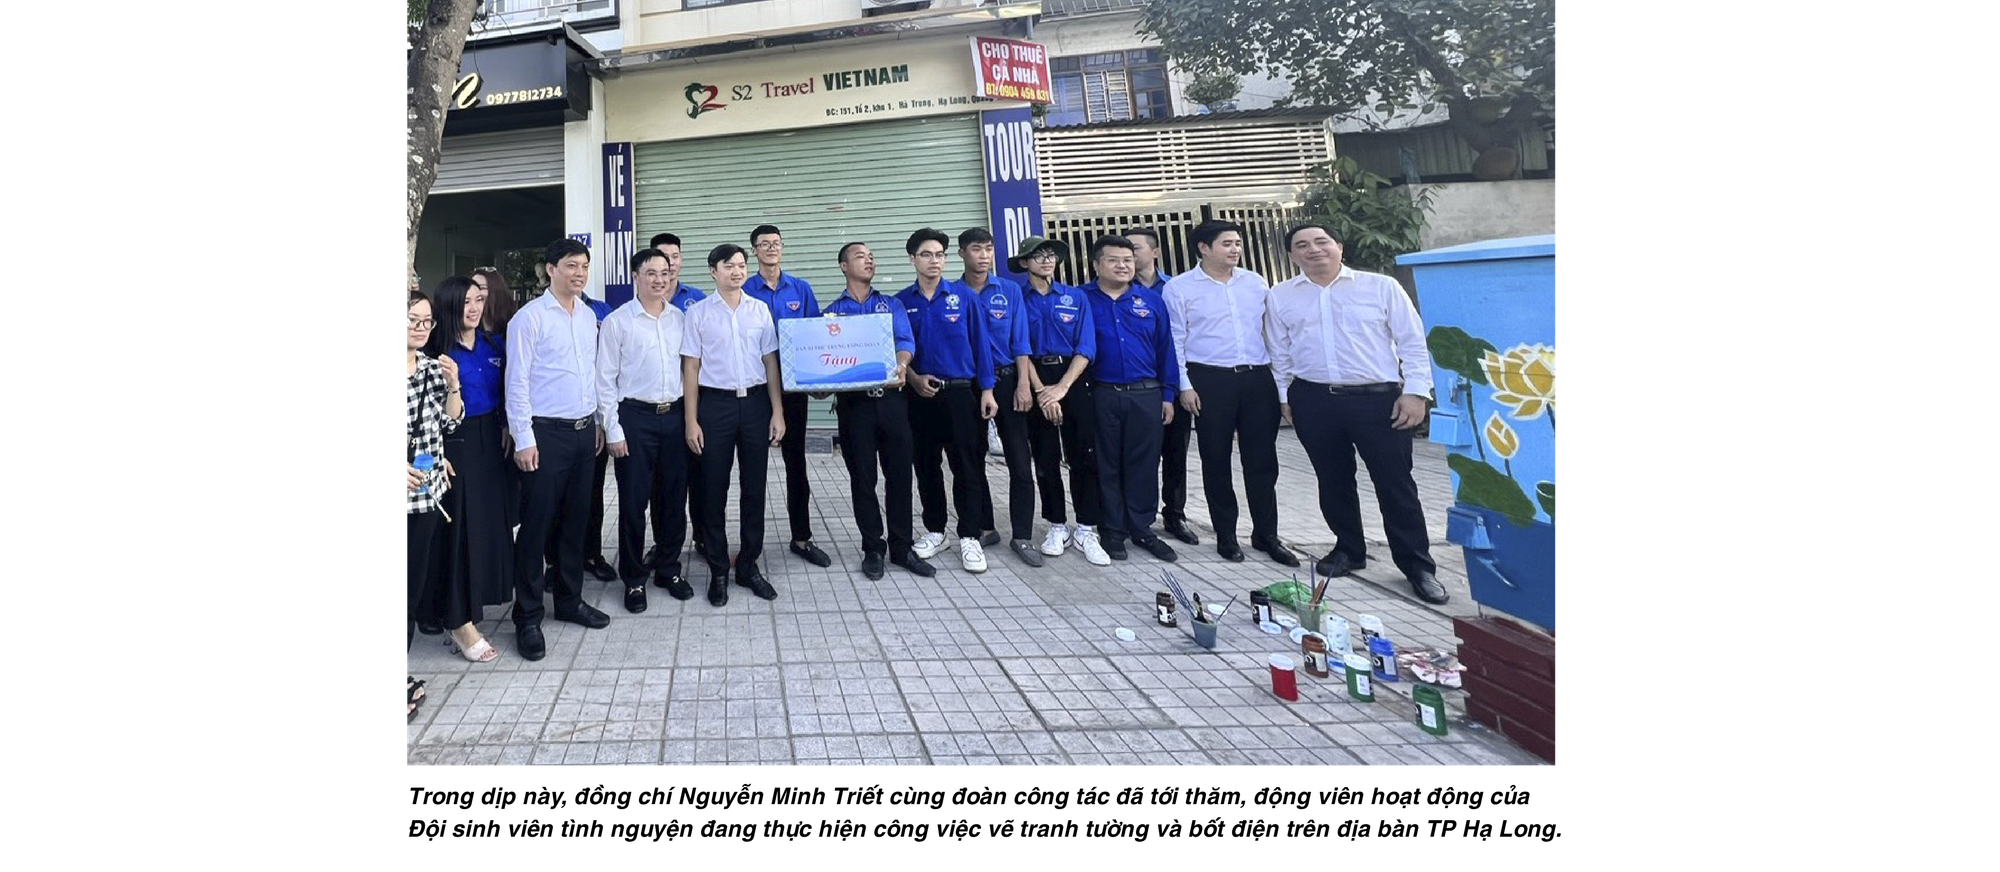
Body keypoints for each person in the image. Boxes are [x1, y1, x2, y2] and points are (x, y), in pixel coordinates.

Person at [1266, 223, 1448, 605]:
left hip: (1379, 400)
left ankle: (1417, 565)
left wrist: (1416, 393)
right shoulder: (1281, 296)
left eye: (1322, 242)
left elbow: (1413, 342)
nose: (1314, 250)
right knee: (1332, 479)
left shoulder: (1380, 287)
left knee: (1395, 483)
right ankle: (1349, 549)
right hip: (1313, 398)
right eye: (1302, 245)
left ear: (1339, 246)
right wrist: (1285, 398)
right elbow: (1279, 353)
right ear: (1292, 255)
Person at [1163, 220, 1297, 567]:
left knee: (1262, 461)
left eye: (1237, 243)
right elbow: (1175, 339)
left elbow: (1272, 335)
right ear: (1204, 248)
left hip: (1256, 378)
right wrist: (1184, 385)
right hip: (1209, 380)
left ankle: (1266, 534)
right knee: (1216, 460)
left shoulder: (1255, 283)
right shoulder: (1179, 288)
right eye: (1227, 243)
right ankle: (1226, 535)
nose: (1235, 249)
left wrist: (1281, 387)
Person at [505, 239, 612, 663]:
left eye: (584, 266)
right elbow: (517, 382)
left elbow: (593, 374)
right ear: (550, 270)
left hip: (584, 433)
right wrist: (524, 438)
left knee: (575, 522)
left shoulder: (587, 316)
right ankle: (528, 616)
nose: (579, 273)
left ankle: (569, 600)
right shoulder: (529, 319)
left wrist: (598, 421)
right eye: (571, 265)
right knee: (536, 527)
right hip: (545, 436)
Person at [682, 244, 786, 606]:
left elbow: (770, 362)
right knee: (713, 489)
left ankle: (748, 565)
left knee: (754, 488)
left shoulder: (759, 310)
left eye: (742, 265)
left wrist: (777, 412)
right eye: (729, 266)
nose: (737, 272)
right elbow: (691, 368)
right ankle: (718, 570)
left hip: (756, 404)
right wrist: (691, 420)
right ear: (714, 271)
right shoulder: (697, 313)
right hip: (715, 407)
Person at [824, 242, 935, 579]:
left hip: (892, 403)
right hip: (854, 405)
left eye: (872, 256)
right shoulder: (831, 314)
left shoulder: (891, 305)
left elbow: (905, 342)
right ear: (843, 266)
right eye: (860, 256)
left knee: (900, 476)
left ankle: (902, 547)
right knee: (863, 479)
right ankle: (873, 548)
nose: (869, 260)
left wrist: (902, 365)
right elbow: (825, 359)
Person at [416, 277, 510, 664]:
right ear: (448, 307)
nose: (473, 309)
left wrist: (507, 426)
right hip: (453, 445)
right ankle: (458, 620)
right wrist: (430, 457)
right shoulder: (434, 353)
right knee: (455, 534)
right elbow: (423, 416)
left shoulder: (492, 344)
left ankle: (466, 604)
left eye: (478, 300)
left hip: (491, 442)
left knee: (484, 529)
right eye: (465, 302)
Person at [898, 228, 999, 573]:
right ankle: (935, 530)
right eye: (926, 254)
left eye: (939, 254)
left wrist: (987, 390)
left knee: (966, 465)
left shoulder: (963, 297)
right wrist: (913, 379)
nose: (934, 261)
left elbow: (981, 345)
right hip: (919, 396)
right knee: (926, 465)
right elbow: (895, 350)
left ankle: (970, 535)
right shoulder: (901, 302)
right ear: (912, 259)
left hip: (959, 393)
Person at [598, 248, 693, 612]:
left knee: (673, 499)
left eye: (665, 273)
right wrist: (613, 429)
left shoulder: (680, 318)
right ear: (635, 277)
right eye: (651, 273)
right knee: (634, 503)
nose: (659, 280)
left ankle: (668, 569)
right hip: (634, 418)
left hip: (674, 416)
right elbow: (604, 379)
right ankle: (634, 579)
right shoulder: (618, 322)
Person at [1012, 236, 1111, 566]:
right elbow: (1019, 346)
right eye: (1037, 255)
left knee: (1083, 454)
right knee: (1045, 457)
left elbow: (1086, 346)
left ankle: (1086, 528)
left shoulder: (1075, 296)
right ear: (1024, 263)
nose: (1046, 260)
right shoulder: (1017, 298)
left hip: (1074, 377)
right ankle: (1057, 525)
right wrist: (1042, 391)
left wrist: (1062, 388)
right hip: (1034, 376)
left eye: (1050, 255)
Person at [1080, 235, 1179, 562]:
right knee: (1105, 462)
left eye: (1127, 260)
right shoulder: (1081, 299)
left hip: (1146, 394)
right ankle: (1112, 529)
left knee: (1144, 463)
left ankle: (1142, 527)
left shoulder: (1150, 300)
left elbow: (1166, 348)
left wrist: (1168, 394)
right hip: (1101, 394)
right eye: (1113, 260)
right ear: (1097, 264)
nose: (1122, 266)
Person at [742, 224, 832, 568]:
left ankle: (802, 538)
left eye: (776, 243)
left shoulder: (801, 289)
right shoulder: (744, 289)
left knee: (796, 465)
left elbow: (815, 337)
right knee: (751, 470)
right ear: (754, 251)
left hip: (793, 390)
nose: (771, 248)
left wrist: (819, 380)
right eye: (764, 244)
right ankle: (749, 546)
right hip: (754, 390)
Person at [959, 227, 1033, 563]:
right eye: (977, 249)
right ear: (962, 254)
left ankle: (1023, 535)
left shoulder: (1009, 290)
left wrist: (1023, 384)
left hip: (1007, 380)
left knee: (1019, 459)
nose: (984, 255)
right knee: (972, 460)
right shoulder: (953, 293)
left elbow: (1020, 340)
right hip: (969, 385)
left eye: (989, 248)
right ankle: (985, 527)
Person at [406, 291, 463, 719]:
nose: (421, 328)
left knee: (411, 586)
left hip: (426, 495)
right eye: (413, 320)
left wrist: (454, 384)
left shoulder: (431, 368)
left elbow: (449, 422)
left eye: (427, 321)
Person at [1126, 227, 1198, 547]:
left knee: (1175, 451)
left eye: (1135, 248)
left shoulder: (1175, 288)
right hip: (1134, 384)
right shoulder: (1118, 289)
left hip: (1173, 379)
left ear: (1154, 252)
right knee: (1137, 454)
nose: (1129, 254)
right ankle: (1137, 516)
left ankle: (1175, 514)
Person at [642, 232, 709, 575]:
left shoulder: (698, 301)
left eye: (675, 257)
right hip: (655, 408)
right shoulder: (638, 304)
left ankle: (702, 538)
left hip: (694, 404)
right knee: (662, 483)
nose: (669, 263)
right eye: (662, 257)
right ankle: (663, 543)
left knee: (698, 476)